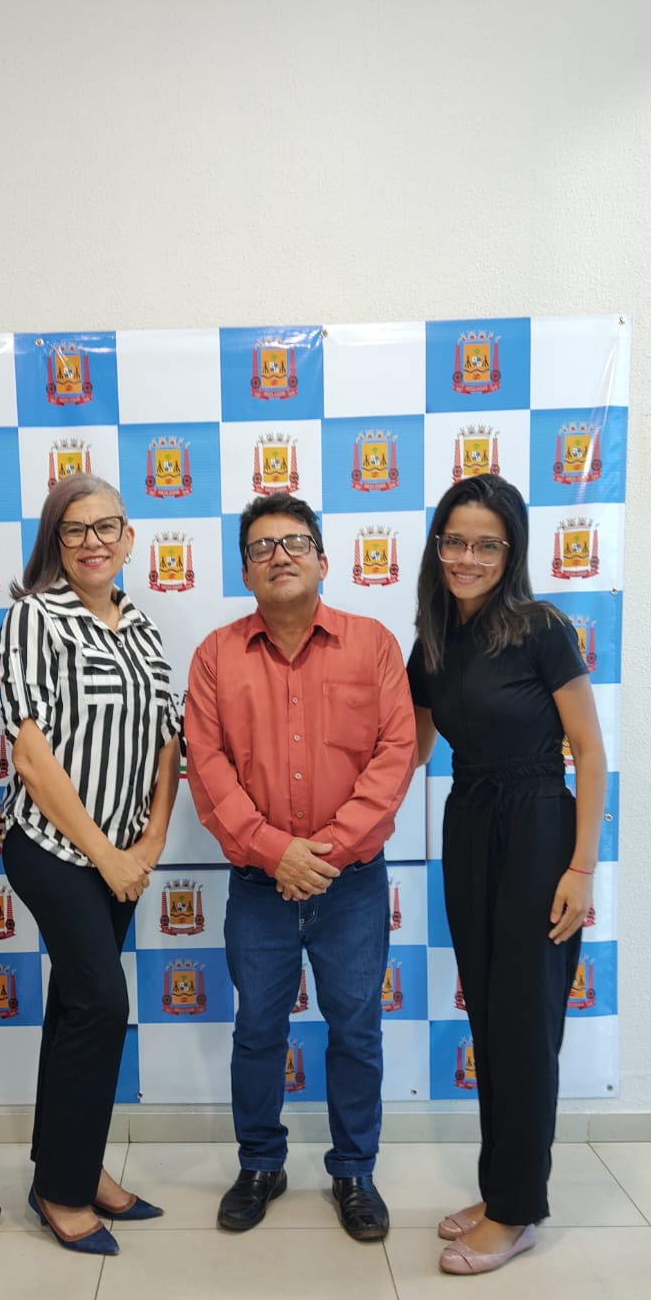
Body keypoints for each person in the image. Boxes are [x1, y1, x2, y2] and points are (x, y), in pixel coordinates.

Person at [185, 495, 416, 1240]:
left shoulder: (372, 645)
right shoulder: (215, 655)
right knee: (257, 1030)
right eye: (261, 547)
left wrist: (323, 854)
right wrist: (273, 851)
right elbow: (206, 765)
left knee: (356, 1030)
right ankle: (260, 1163)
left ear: (323, 559)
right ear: (244, 570)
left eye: (294, 543)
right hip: (259, 886)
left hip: (351, 886)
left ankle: (354, 1171)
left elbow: (395, 755)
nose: (278, 556)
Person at [408, 474, 607, 1275]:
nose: (467, 557)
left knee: (523, 1025)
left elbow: (589, 751)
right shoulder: (431, 640)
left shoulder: (539, 628)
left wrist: (580, 867)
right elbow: (412, 749)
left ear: (510, 550)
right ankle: (500, 1193)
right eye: (454, 541)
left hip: (537, 828)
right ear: (436, 546)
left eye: (486, 544)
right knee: (490, 1021)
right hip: (468, 824)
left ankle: (518, 1211)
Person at [0, 475, 180, 1255]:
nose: (92, 541)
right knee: (101, 1004)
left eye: (106, 527)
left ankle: (70, 1164)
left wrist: (149, 845)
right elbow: (30, 753)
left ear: (129, 538)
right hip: (52, 847)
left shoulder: (142, 628)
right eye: (74, 530)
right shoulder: (34, 617)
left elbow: (168, 743)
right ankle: (62, 1192)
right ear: (55, 542)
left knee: (77, 1006)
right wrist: (104, 855)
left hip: (122, 859)